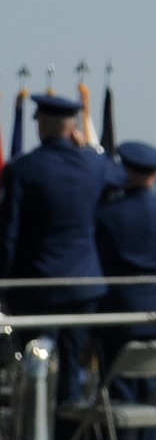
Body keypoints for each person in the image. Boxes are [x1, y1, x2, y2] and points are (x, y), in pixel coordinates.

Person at [0, 94, 116, 403]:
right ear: (72, 127)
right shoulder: (94, 164)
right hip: (84, 286)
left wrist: (6, 286)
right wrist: (87, 148)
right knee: (72, 364)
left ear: (45, 125)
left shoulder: (24, 169)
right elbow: (118, 175)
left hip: (37, 287)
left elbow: (8, 235)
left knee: (36, 364)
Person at [94, 140, 156, 440]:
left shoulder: (106, 215)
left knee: (119, 385)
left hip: (117, 310)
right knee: (152, 387)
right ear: (154, 175)